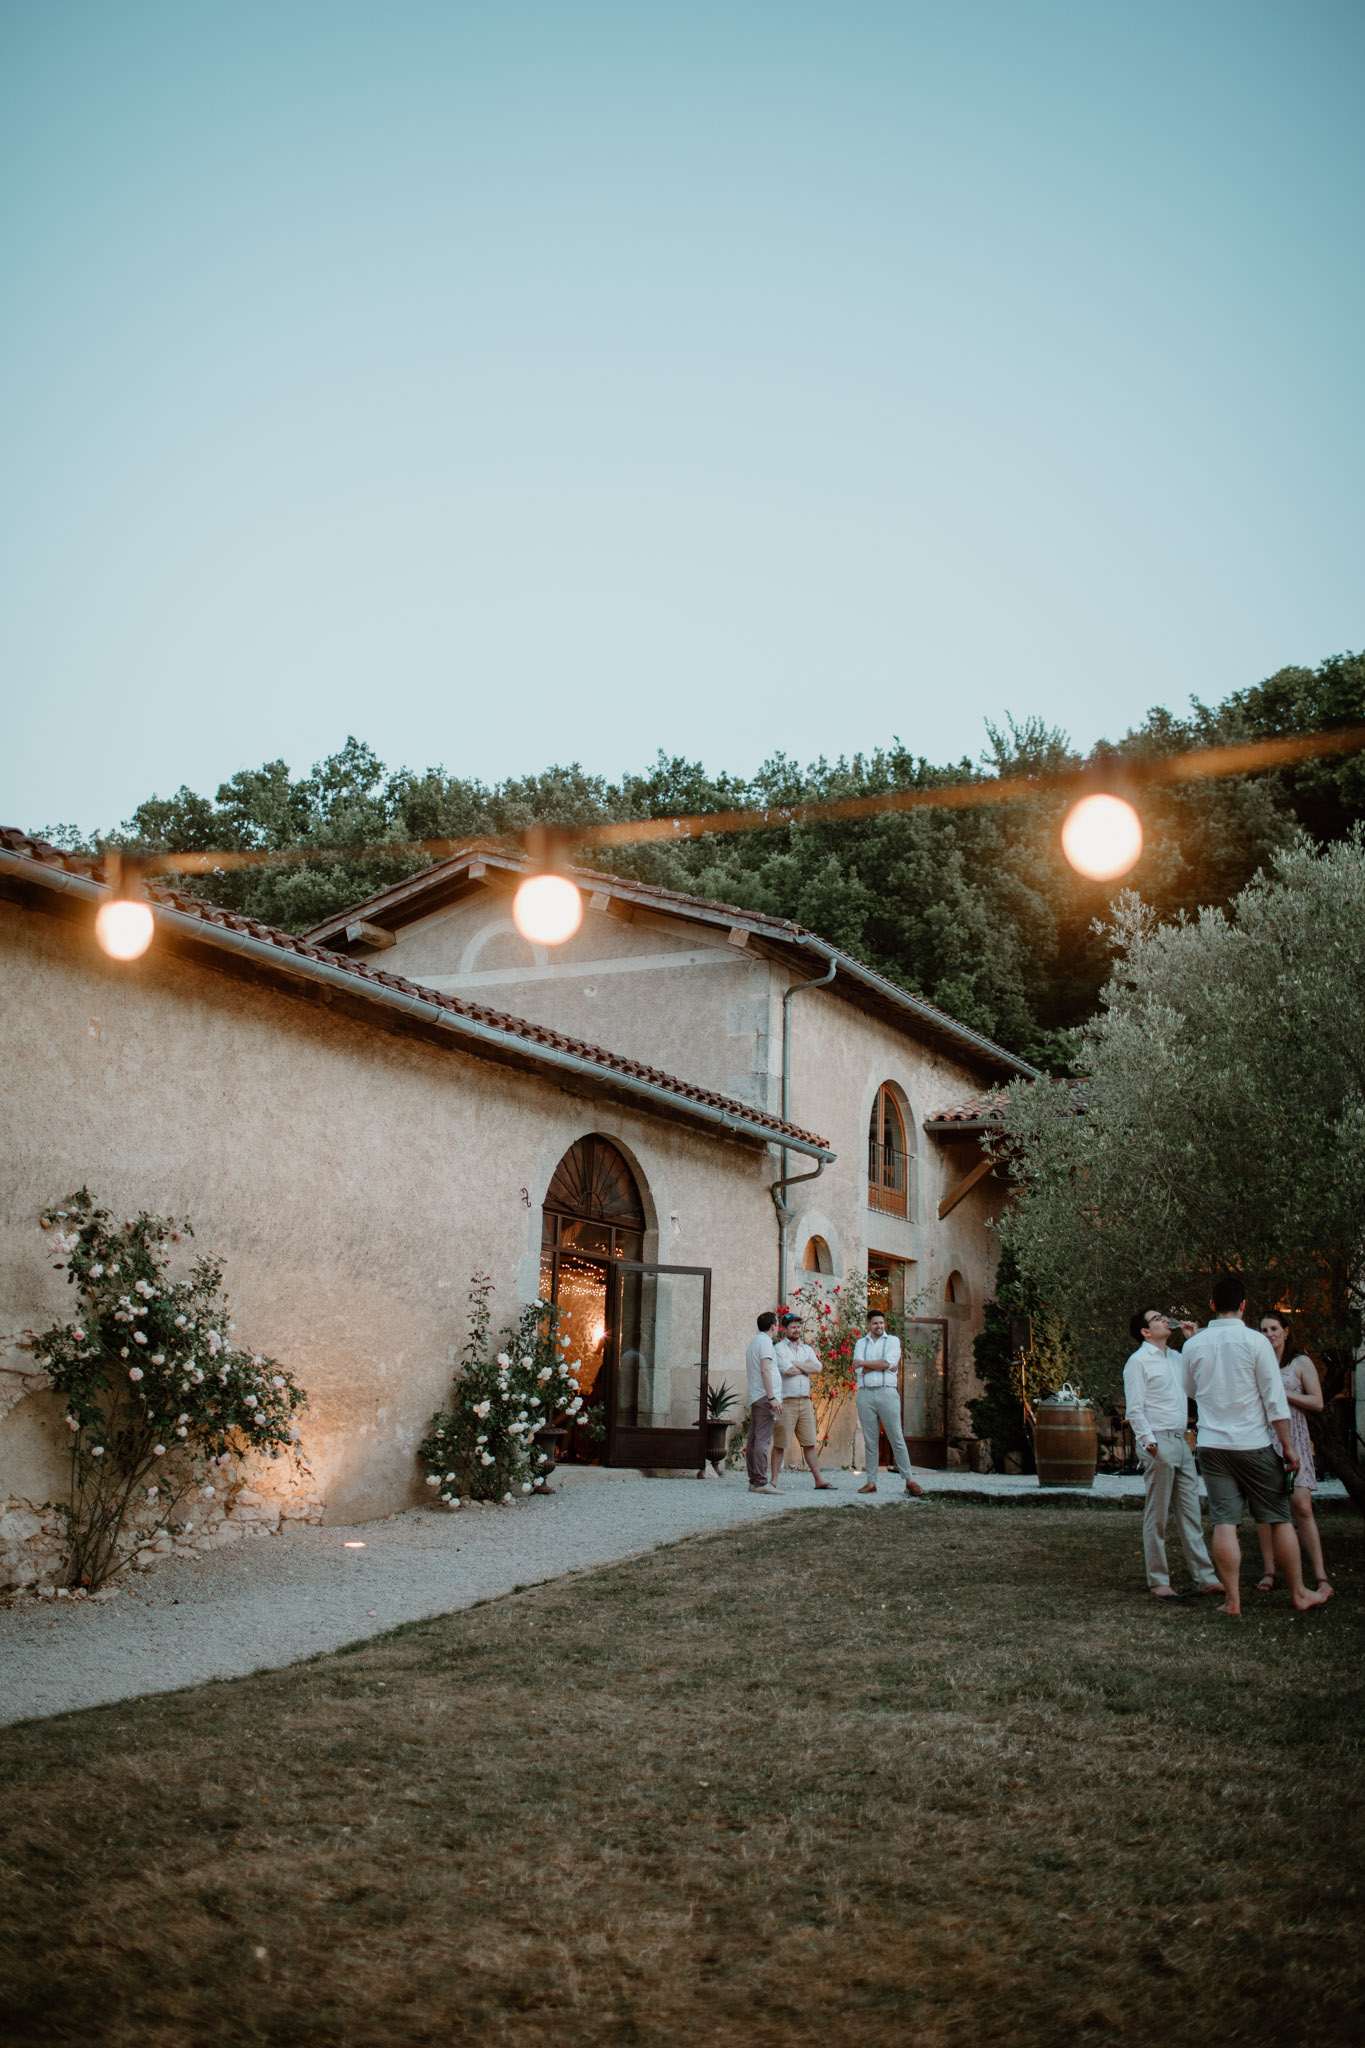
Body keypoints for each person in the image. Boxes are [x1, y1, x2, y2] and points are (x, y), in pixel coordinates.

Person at [1180, 1276, 1329, 1617]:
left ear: (1212, 1305)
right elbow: (1275, 1401)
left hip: (1212, 1445)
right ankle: (1299, 1593)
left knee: (1224, 1521)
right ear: (1244, 1306)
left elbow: (1189, 1389)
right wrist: (1289, 1447)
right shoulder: (1255, 1342)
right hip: (1253, 1443)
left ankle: (1232, 1600)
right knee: (1278, 1518)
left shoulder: (1193, 1345)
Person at [1122, 1309, 1222, 1600]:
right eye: (1157, 1319)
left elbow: (1200, 1385)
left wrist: (1194, 1340)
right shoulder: (1137, 1362)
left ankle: (1205, 1577)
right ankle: (1158, 1580)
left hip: (1181, 1440)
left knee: (1190, 1512)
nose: (1165, 1320)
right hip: (1158, 1440)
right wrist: (1149, 1443)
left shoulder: (1179, 1357)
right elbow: (1135, 1408)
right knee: (1158, 1514)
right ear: (1145, 1331)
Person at [1253, 1314, 1333, 1600]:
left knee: (1302, 1505)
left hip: (1295, 1438)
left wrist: (1282, 1394)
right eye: (1263, 1330)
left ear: (1286, 1331)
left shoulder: (1300, 1363)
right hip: (1264, 1438)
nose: (1269, 1334)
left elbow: (1317, 1402)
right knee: (1266, 1509)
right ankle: (1269, 1570)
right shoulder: (1259, 1364)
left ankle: (1321, 1575)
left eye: (1274, 1328)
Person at [853, 1311, 925, 1498]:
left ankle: (909, 1480)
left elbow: (889, 1362)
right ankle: (871, 1482)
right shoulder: (861, 1343)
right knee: (870, 1440)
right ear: (869, 1324)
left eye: (881, 1323)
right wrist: (877, 1365)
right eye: (875, 1323)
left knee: (896, 1437)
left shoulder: (892, 1341)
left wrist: (868, 1364)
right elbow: (857, 1368)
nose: (879, 1326)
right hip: (865, 1394)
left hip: (887, 1392)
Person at [771, 1314, 834, 1491]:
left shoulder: (806, 1349)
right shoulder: (779, 1348)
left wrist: (798, 1363)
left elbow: (818, 1368)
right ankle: (774, 1481)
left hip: (805, 1402)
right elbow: (787, 1370)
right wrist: (805, 1367)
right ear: (785, 1329)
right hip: (787, 1402)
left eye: (799, 1326)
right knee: (780, 1444)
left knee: (810, 1443)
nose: (797, 1329)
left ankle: (819, 1480)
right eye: (793, 1327)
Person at [744, 1311, 783, 1494]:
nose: (777, 1328)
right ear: (773, 1325)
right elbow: (765, 1370)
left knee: (753, 1439)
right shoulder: (766, 1343)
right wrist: (772, 1397)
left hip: (756, 1395)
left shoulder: (754, 1342)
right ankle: (760, 1482)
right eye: (777, 1324)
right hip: (764, 1397)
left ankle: (754, 1480)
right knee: (762, 1439)